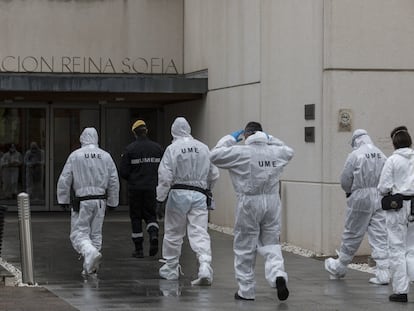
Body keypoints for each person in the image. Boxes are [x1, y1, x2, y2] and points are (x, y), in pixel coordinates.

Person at [210, 121, 294, 301]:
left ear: (246, 135)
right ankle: (278, 274)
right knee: (271, 242)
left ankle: (246, 290)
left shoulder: (241, 152)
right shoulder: (276, 151)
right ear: (263, 134)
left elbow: (214, 155)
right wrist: (270, 139)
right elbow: (289, 151)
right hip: (272, 201)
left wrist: (230, 139)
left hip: (248, 202)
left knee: (245, 246)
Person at [157, 117, 219, 286]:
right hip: (199, 194)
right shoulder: (203, 148)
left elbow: (165, 176)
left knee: (173, 233)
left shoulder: (172, 148)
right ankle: (205, 265)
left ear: (173, 131)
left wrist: (160, 198)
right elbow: (214, 174)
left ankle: (170, 268)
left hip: (178, 193)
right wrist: (207, 189)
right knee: (199, 232)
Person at [324, 129, 390, 285]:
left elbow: (345, 179)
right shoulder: (381, 154)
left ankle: (340, 267)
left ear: (356, 141)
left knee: (352, 232)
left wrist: (349, 192)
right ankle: (383, 273)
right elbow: (388, 176)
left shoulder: (355, 155)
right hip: (379, 196)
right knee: (380, 234)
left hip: (360, 196)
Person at [57, 127, 119, 277]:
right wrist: (113, 201)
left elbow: (65, 178)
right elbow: (113, 180)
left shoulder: (75, 155)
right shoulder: (105, 156)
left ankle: (90, 254)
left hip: (82, 200)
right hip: (100, 201)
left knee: (78, 234)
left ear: (82, 138)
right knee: (96, 234)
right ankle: (90, 268)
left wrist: (63, 198)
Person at [377, 126, 414, 303]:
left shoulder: (392, 160)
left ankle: (401, 290)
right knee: (412, 249)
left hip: (398, 207)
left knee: (397, 248)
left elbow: (383, 187)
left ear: (394, 143)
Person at [120, 119, 163, 258]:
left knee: (136, 217)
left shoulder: (130, 149)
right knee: (151, 215)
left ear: (134, 133)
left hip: (135, 189)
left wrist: (133, 178)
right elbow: (164, 169)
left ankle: (138, 249)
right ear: (146, 131)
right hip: (152, 188)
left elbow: (124, 172)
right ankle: (153, 235)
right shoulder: (157, 148)